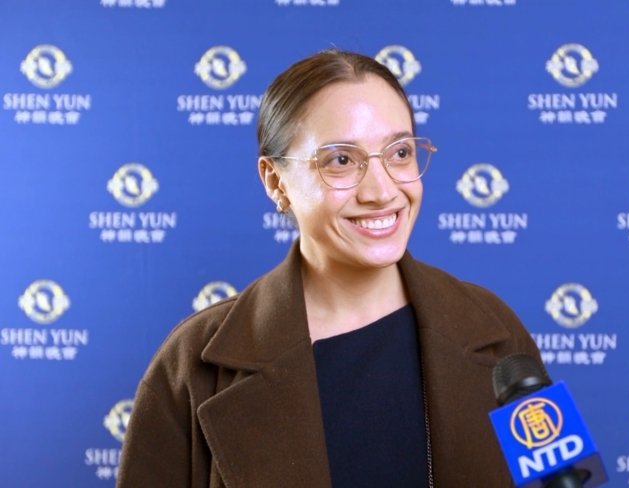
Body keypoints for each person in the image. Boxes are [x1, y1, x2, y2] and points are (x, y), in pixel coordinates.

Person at [117, 49, 541, 488]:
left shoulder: (496, 329)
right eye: (341, 160)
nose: (381, 191)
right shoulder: (190, 365)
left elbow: (557, 473)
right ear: (275, 181)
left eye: (399, 153)